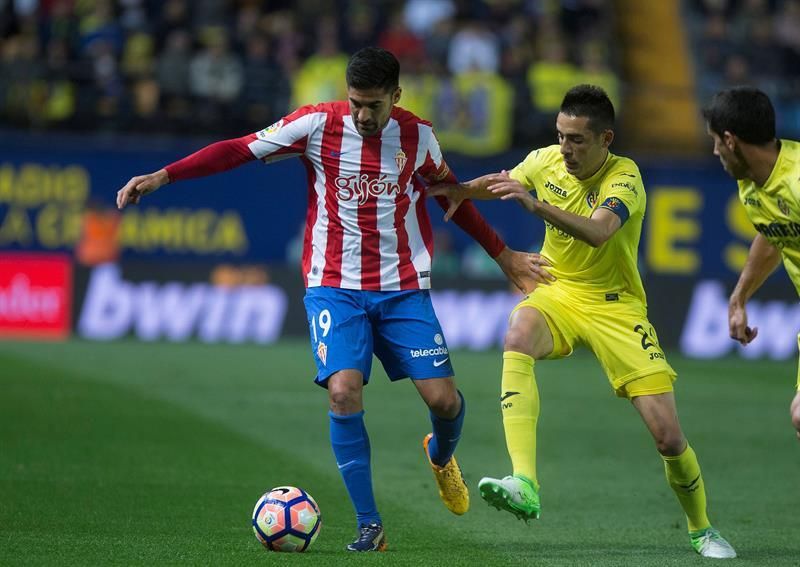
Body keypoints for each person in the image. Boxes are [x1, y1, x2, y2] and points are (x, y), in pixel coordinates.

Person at [115, 47, 545, 552]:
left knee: (445, 402)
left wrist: (504, 256)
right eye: (357, 102)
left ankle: (441, 455)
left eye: (375, 105)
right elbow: (238, 148)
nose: (364, 115)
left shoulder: (418, 136)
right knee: (343, 391)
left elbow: (453, 197)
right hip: (333, 287)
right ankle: (370, 524)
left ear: (396, 97)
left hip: (402, 289)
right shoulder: (316, 125)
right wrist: (164, 175)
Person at [430, 85, 737, 559]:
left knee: (668, 437)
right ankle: (525, 482)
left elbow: (598, 232)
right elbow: (506, 179)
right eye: (560, 136)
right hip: (559, 291)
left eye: (576, 140)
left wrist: (535, 206)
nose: (565, 149)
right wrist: (463, 190)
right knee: (517, 334)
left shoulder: (626, 178)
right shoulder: (546, 160)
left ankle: (702, 529)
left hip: (617, 307)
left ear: (605, 139)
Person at [703, 86, 800, 441]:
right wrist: (739, 298)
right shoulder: (753, 187)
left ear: (730, 140)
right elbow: (773, 235)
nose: (714, 151)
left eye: (715, 141)